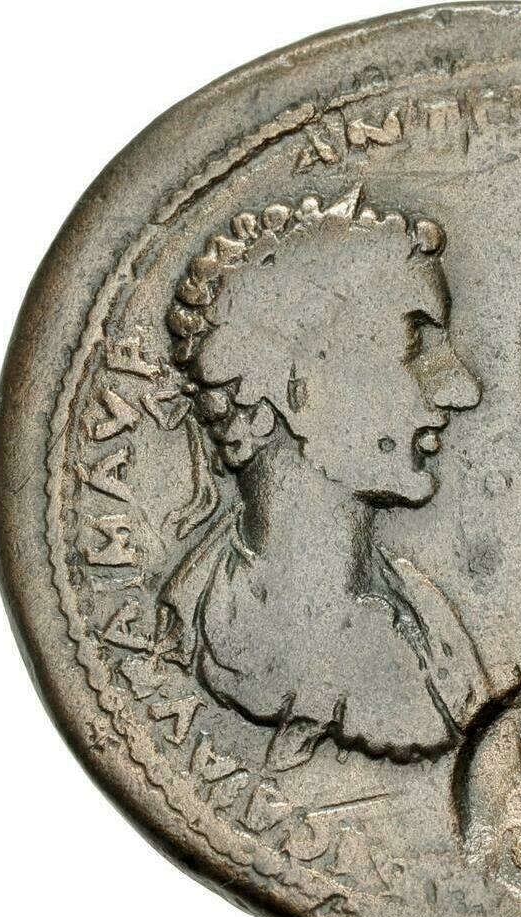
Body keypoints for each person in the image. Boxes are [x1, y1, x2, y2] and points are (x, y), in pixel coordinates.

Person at [155, 186, 492, 769]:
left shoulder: (426, 614)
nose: (463, 388)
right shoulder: (194, 636)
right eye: (416, 343)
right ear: (295, 389)